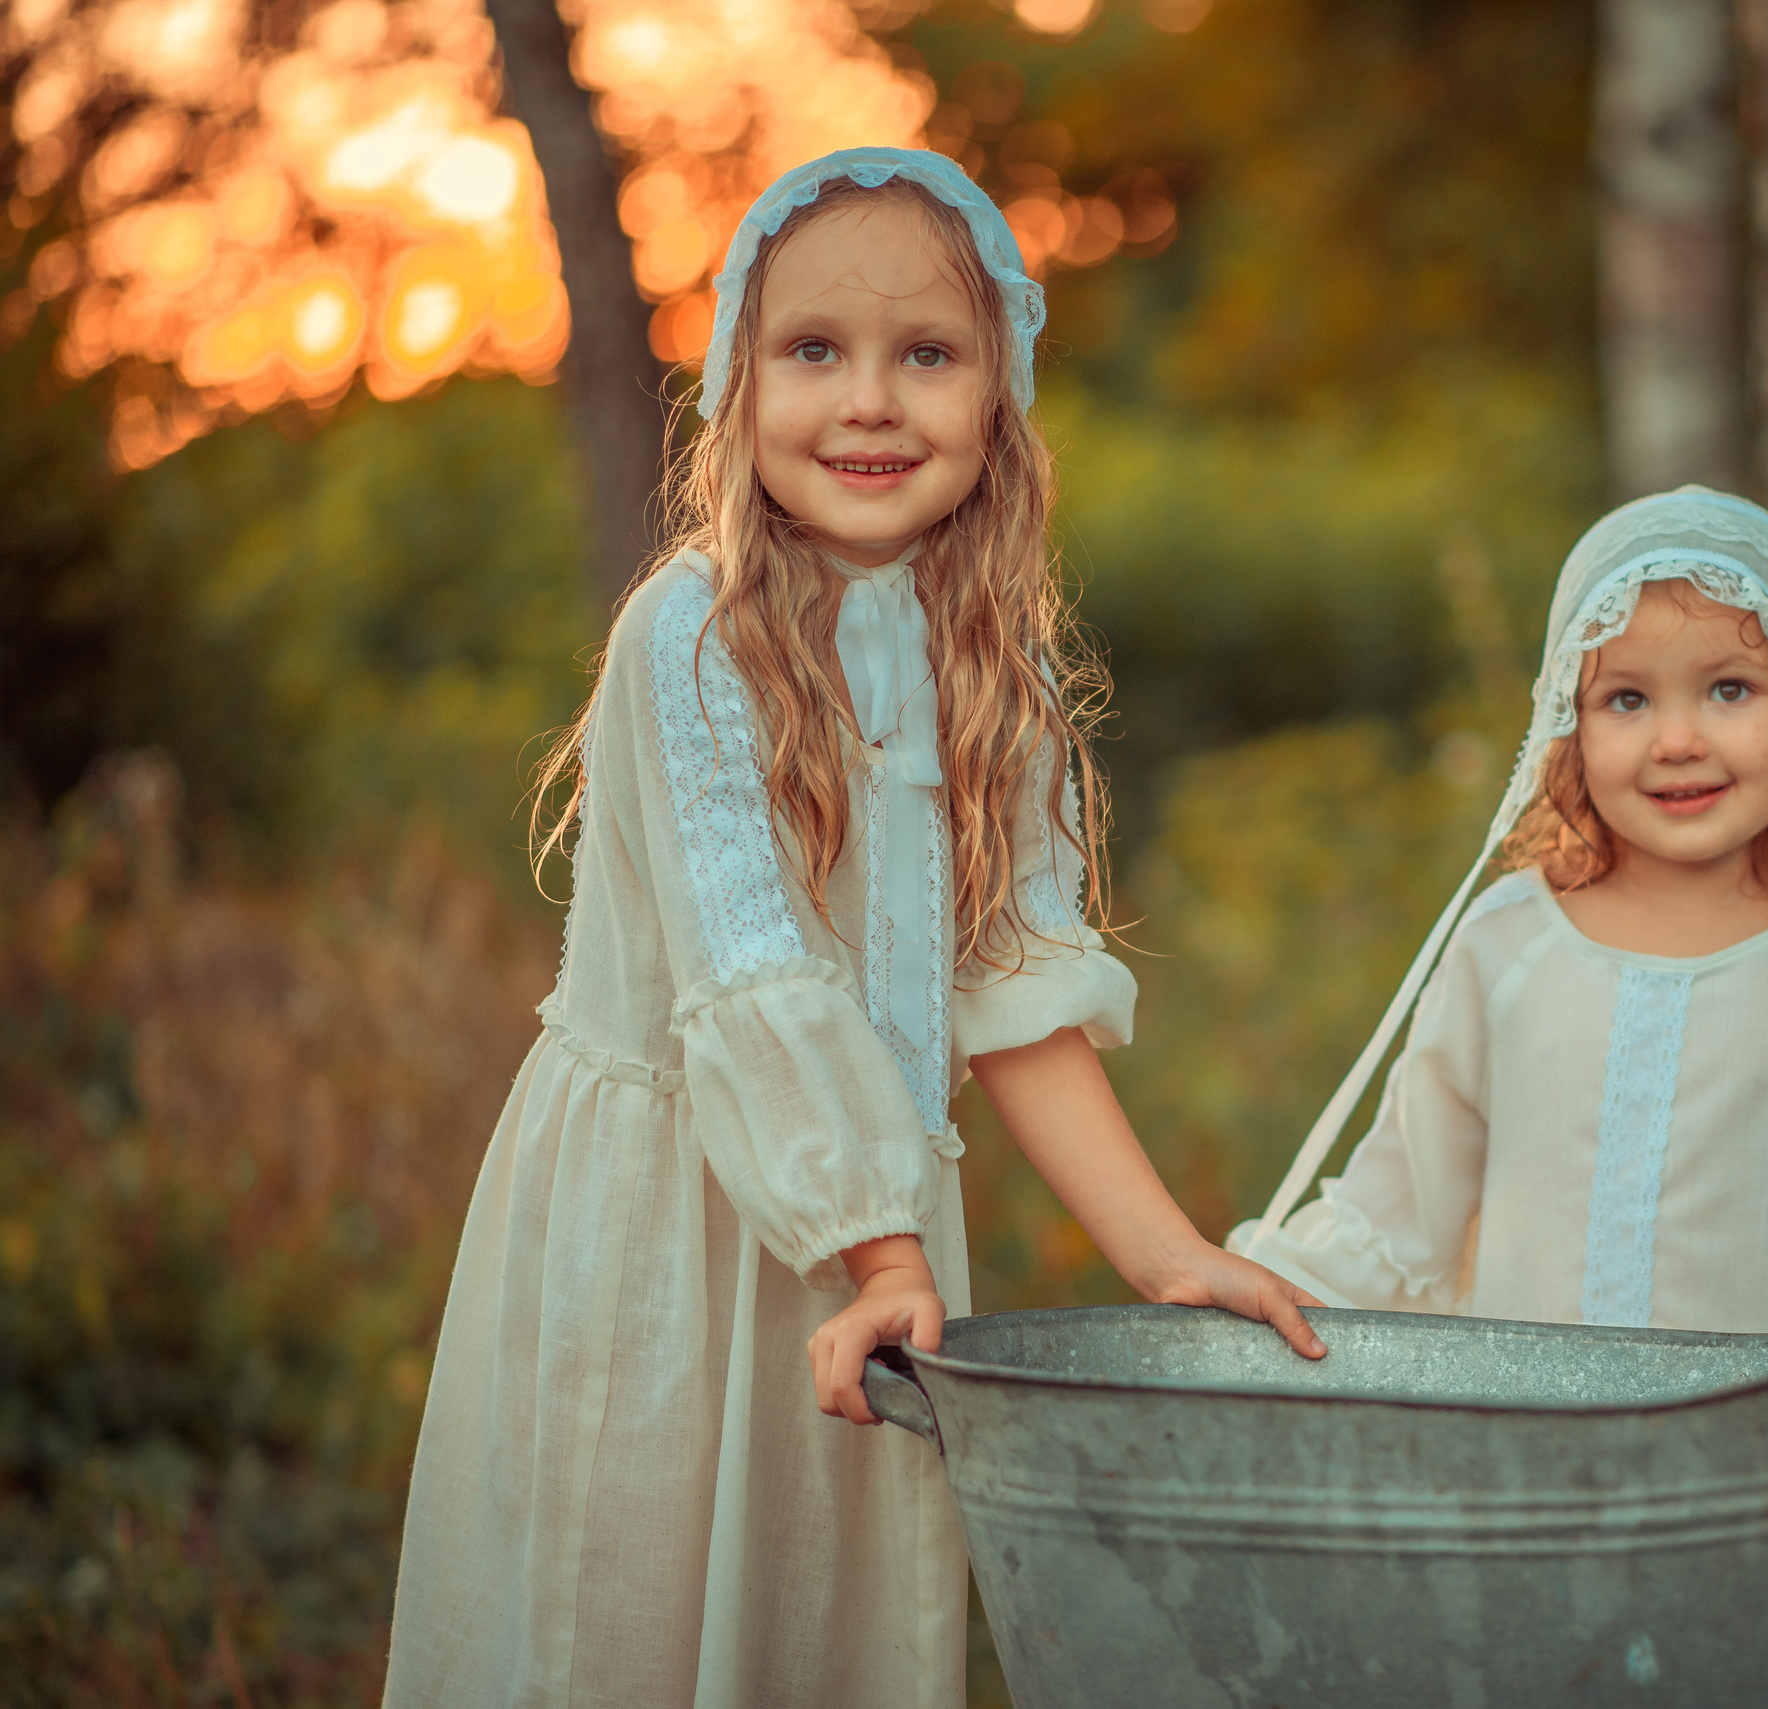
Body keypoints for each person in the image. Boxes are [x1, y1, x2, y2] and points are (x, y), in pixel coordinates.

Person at [384, 149, 1321, 1709]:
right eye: (815, 349)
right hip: (677, 1220)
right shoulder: (692, 635)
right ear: (738, 384)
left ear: (999, 401)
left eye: (928, 355)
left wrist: (1171, 1257)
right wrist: (879, 1245)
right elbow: (751, 975)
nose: (870, 402)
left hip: (872, 1224)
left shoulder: (993, 663)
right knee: (632, 1618)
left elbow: (1016, 983)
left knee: (820, 1633)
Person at [1229, 488, 1768, 1332]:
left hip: (1761, 1433)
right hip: (1523, 1429)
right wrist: (1259, 1292)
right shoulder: (1505, 947)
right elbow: (1395, 1218)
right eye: (1628, 698)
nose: (1678, 740)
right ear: (1570, 726)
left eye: (1730, 689)